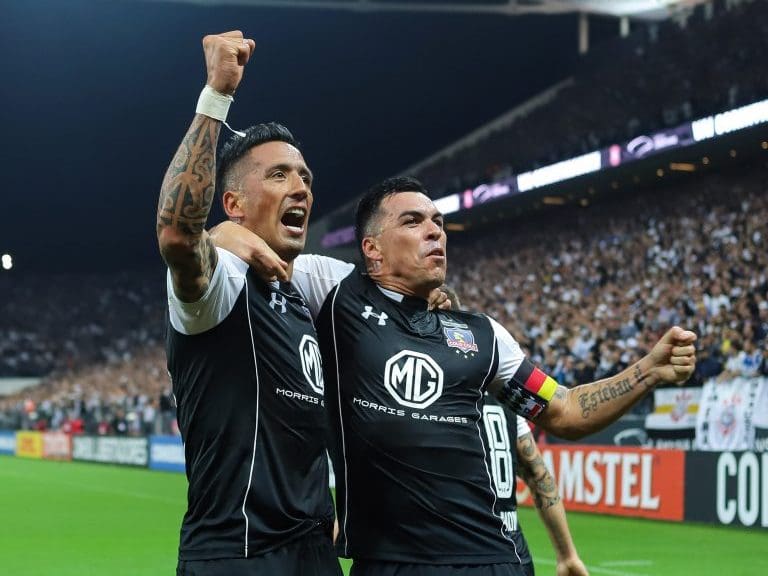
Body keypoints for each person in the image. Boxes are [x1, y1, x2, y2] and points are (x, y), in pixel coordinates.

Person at [214, 178, 696, 575]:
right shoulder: (337, 292)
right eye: (414, 221)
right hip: (388, 564)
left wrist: (646, 371)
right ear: (372, 250)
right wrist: (222, 235)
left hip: (491, 560)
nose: (435, 232)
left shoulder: (483, 335)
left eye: (439, 223)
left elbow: (565, 410)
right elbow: (232, 248)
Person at [156, 30, 340, 576]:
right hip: (239, 557)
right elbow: (176, 236)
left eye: (305, 176)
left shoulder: (307, 285)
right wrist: (217, 94)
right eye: (279, 174)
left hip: (316, 553)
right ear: (232, 202)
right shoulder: (224, 283)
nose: (301, 187)